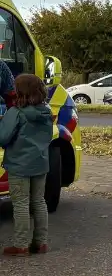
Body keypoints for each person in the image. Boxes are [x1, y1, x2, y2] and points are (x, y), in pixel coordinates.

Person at [1, 74, 54, 256]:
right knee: (39, 201)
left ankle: (21, 245)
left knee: (21, 204)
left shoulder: (16, 113)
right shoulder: (47, 112)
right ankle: (41, 243)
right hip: (40, 163)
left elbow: (3, 138)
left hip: (19, 165)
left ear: (19, 91)